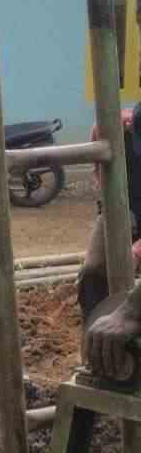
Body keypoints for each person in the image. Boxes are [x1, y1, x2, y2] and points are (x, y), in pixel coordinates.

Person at [80, 102, 141, 374]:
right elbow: (109, 195)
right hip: (128, 207)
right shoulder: (117, 131)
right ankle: (96, 356)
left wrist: (132, 309)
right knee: (93, 271)